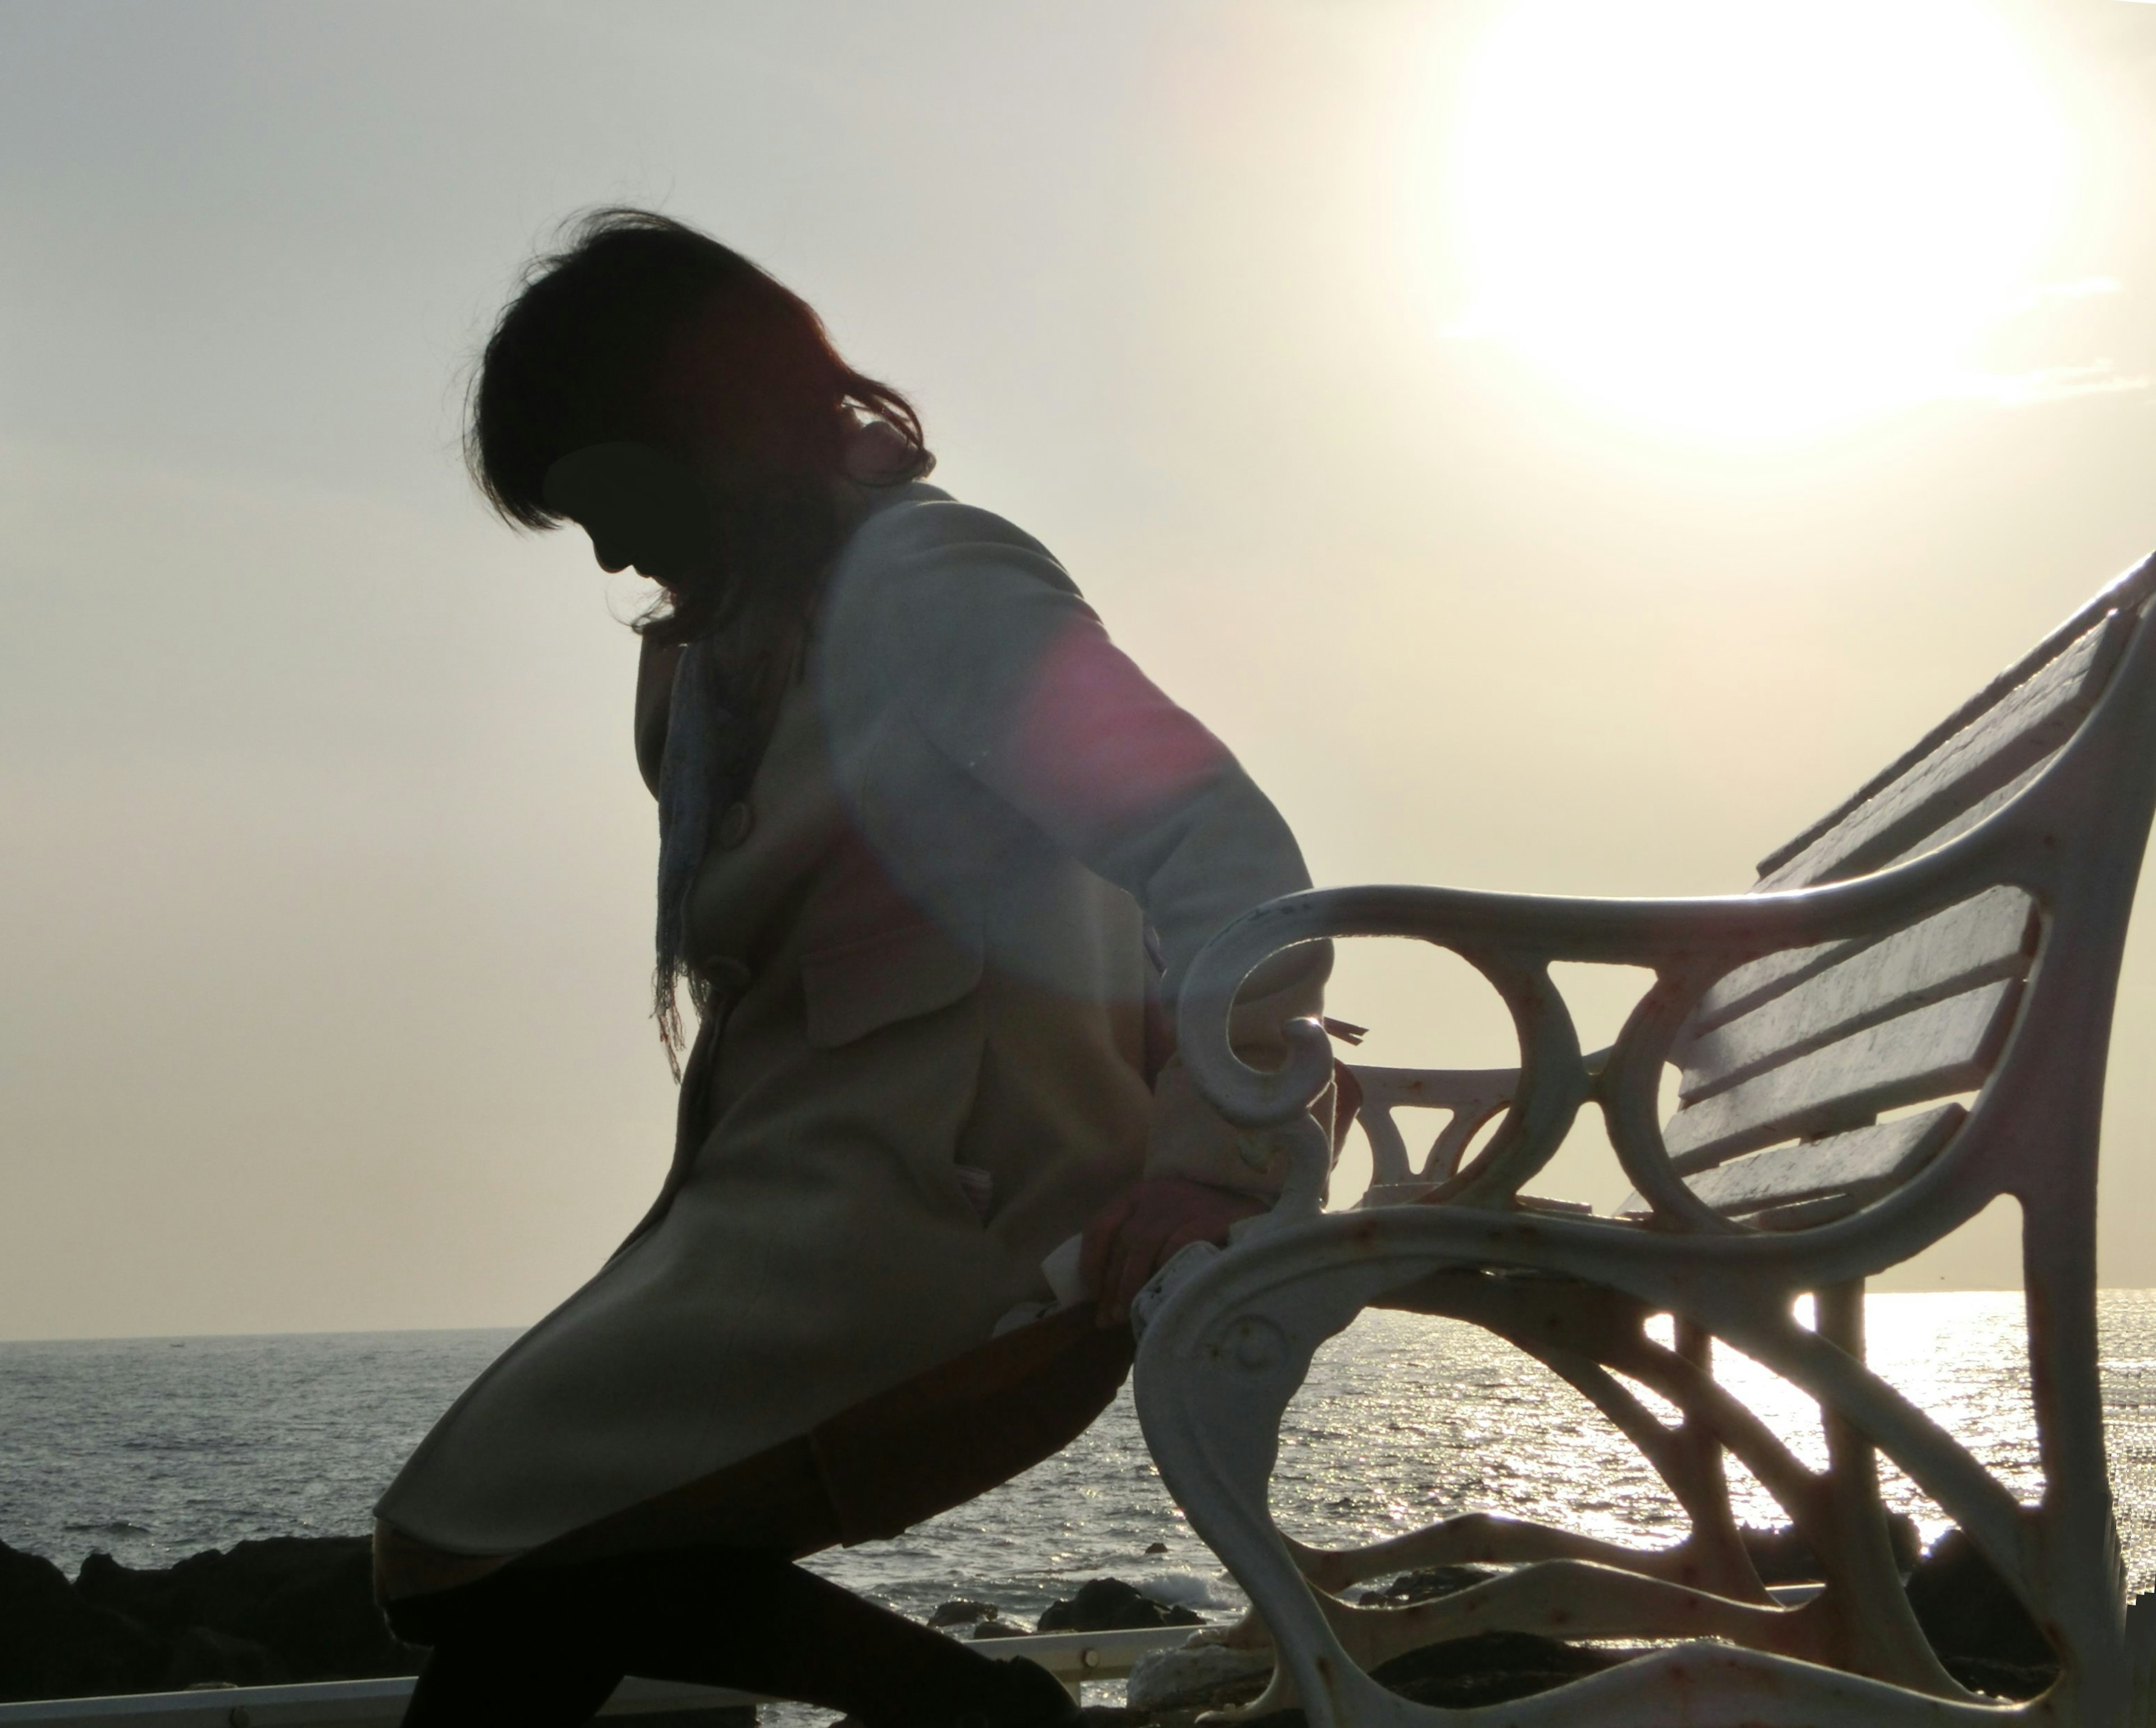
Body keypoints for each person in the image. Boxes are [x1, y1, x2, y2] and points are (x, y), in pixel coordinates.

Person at [371, 209, 1330, 1728]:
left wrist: (1215, 1162)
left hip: (978, 1216)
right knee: (506, 1546)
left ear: (702, 434)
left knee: (494, 1533)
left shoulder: (925, 581)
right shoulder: (750, 647)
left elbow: (1229, 858)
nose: (612, 554)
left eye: (605, 499)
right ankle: (992, 1724)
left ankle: (991, 1726)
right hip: (820, 1213)